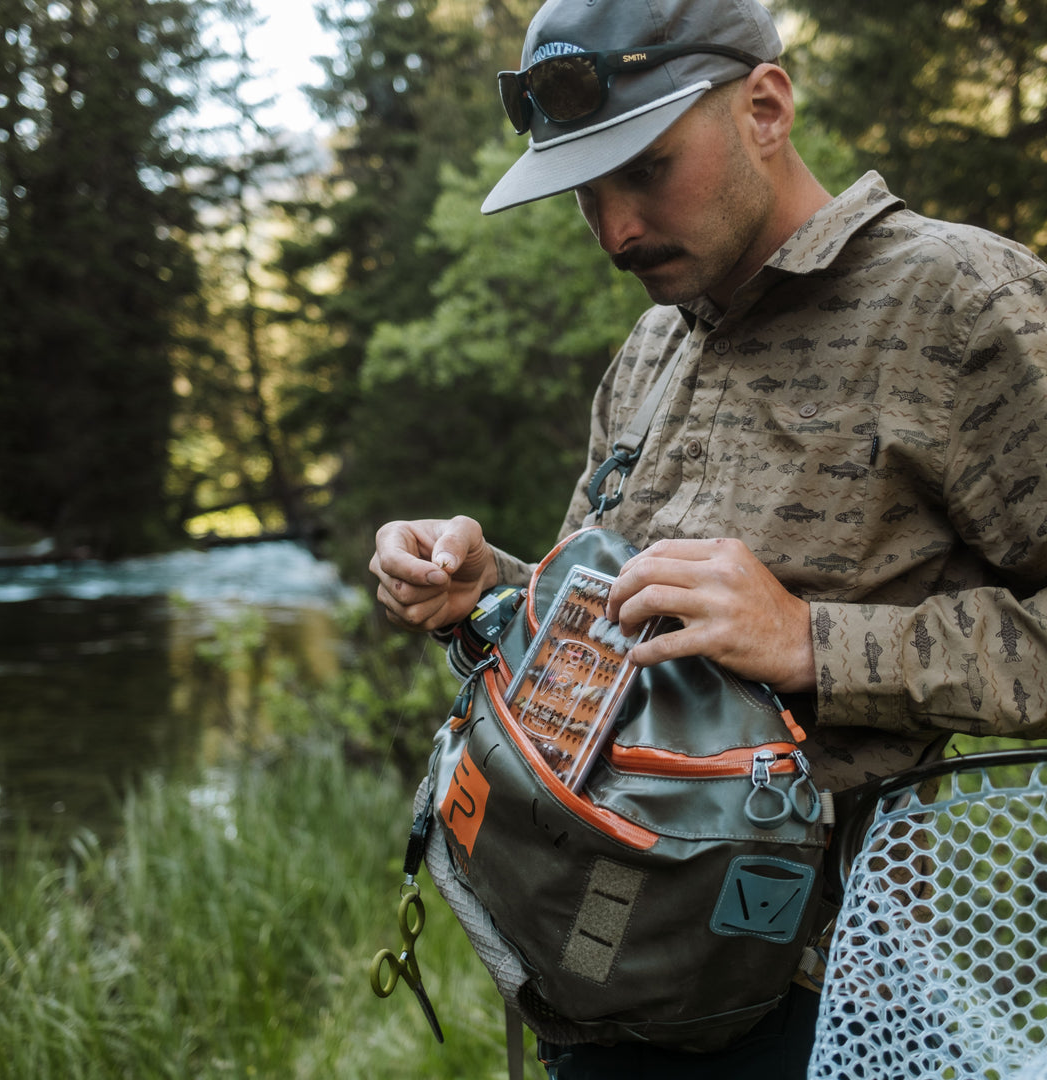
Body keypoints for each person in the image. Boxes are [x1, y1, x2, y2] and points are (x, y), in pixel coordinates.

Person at [369, 0, 1047, 1074]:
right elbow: (599, 629)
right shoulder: (651, 345)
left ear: (765, 108)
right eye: (586, 193)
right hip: (592, 981)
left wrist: (815, 643)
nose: (615, 230)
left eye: (643, 169)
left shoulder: (961, 306)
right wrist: (485, 588)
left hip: (825, 1007)